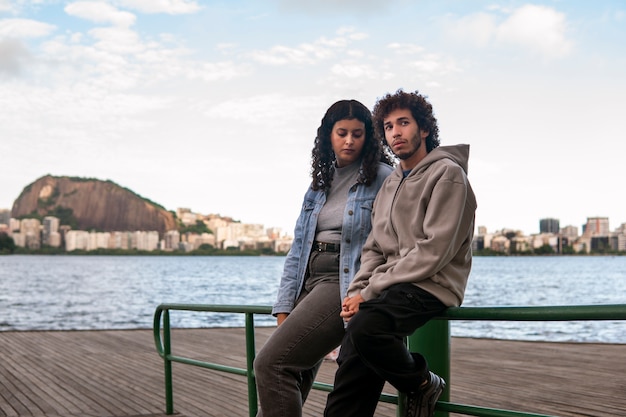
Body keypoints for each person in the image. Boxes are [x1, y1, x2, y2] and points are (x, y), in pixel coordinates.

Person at [323, 89, 477, 417]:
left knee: (367, 329)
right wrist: (357, 292)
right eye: (389, 127)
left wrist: (371, 292)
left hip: (432, 284)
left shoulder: (448, 175)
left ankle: (421, 383)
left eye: (403, 123)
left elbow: (434, 250)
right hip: (392, 287)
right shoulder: (391, 183)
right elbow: (375, 248)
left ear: (423, 129)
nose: (395, 132)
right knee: (352, 356)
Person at [253, 99, 395, 417]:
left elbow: (394, 241)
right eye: (341, 133)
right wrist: (285, 306)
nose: (348, 141)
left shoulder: (385, 178)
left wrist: (369, 290)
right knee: (290, 376)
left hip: (342, 280)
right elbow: (298, 249)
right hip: (309, 278)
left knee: (271, 364)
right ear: (328, 136)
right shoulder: (319, 184)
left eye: (357, 134)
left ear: (368, 137)